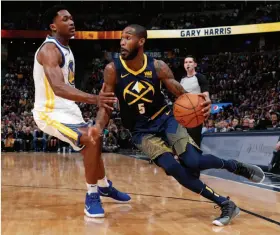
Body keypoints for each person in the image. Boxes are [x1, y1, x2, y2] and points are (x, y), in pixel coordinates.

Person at [92, 24, 265, 226]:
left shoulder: (157, 66)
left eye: (128, 37)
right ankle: (225, 203)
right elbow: (105, 105)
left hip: (166, 119)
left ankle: (235, 166)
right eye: (121, 37)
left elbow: (182, 95)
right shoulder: (113, 69)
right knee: (173, 167)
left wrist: (200, 104)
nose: (122, 42)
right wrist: (98, 127)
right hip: (140, 132)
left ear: (141, 41)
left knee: (194, 162)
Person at [32, 5, 130, 218]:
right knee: (90, 138)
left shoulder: (65, 47)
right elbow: (58, 87)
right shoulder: (49, 50)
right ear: (53, 26)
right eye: (65, 19)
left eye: (71, 18)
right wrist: (96, 99)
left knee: (94, 141)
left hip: (69, 109)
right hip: (49, 112)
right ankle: (92, 195)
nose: (71, 22)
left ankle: (104, 185)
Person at [180, 56, 210, 146]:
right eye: (186, 62)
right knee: (183, 138)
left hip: (196, 111)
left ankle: (196, 156)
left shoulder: (200, 77)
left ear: (195, 64)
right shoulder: (182, 79)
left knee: (194, 139)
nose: (188, 64)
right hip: (184, 112)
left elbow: (206, 95)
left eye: (190, 62)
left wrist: (207, 107)